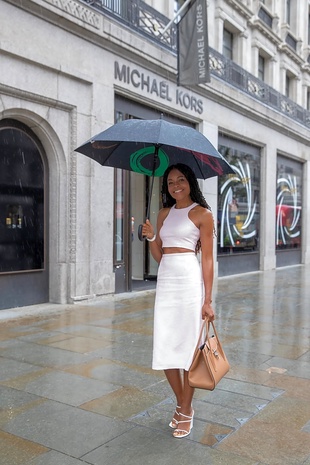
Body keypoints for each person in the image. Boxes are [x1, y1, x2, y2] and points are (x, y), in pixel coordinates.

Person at [142, 163, 215, 439]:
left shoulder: (202, 214)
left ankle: (185, 410)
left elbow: (206, 258)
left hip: (189, 283)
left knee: (188, 349)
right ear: (166, 187)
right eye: (171, 182)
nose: (176, 186)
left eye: (181, 180)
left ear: (190, 182)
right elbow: (161, 257)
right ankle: (182, 404)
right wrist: (151, 237)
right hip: (167, 282)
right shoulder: (163, 214)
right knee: (166, 346)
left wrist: (208, 299)